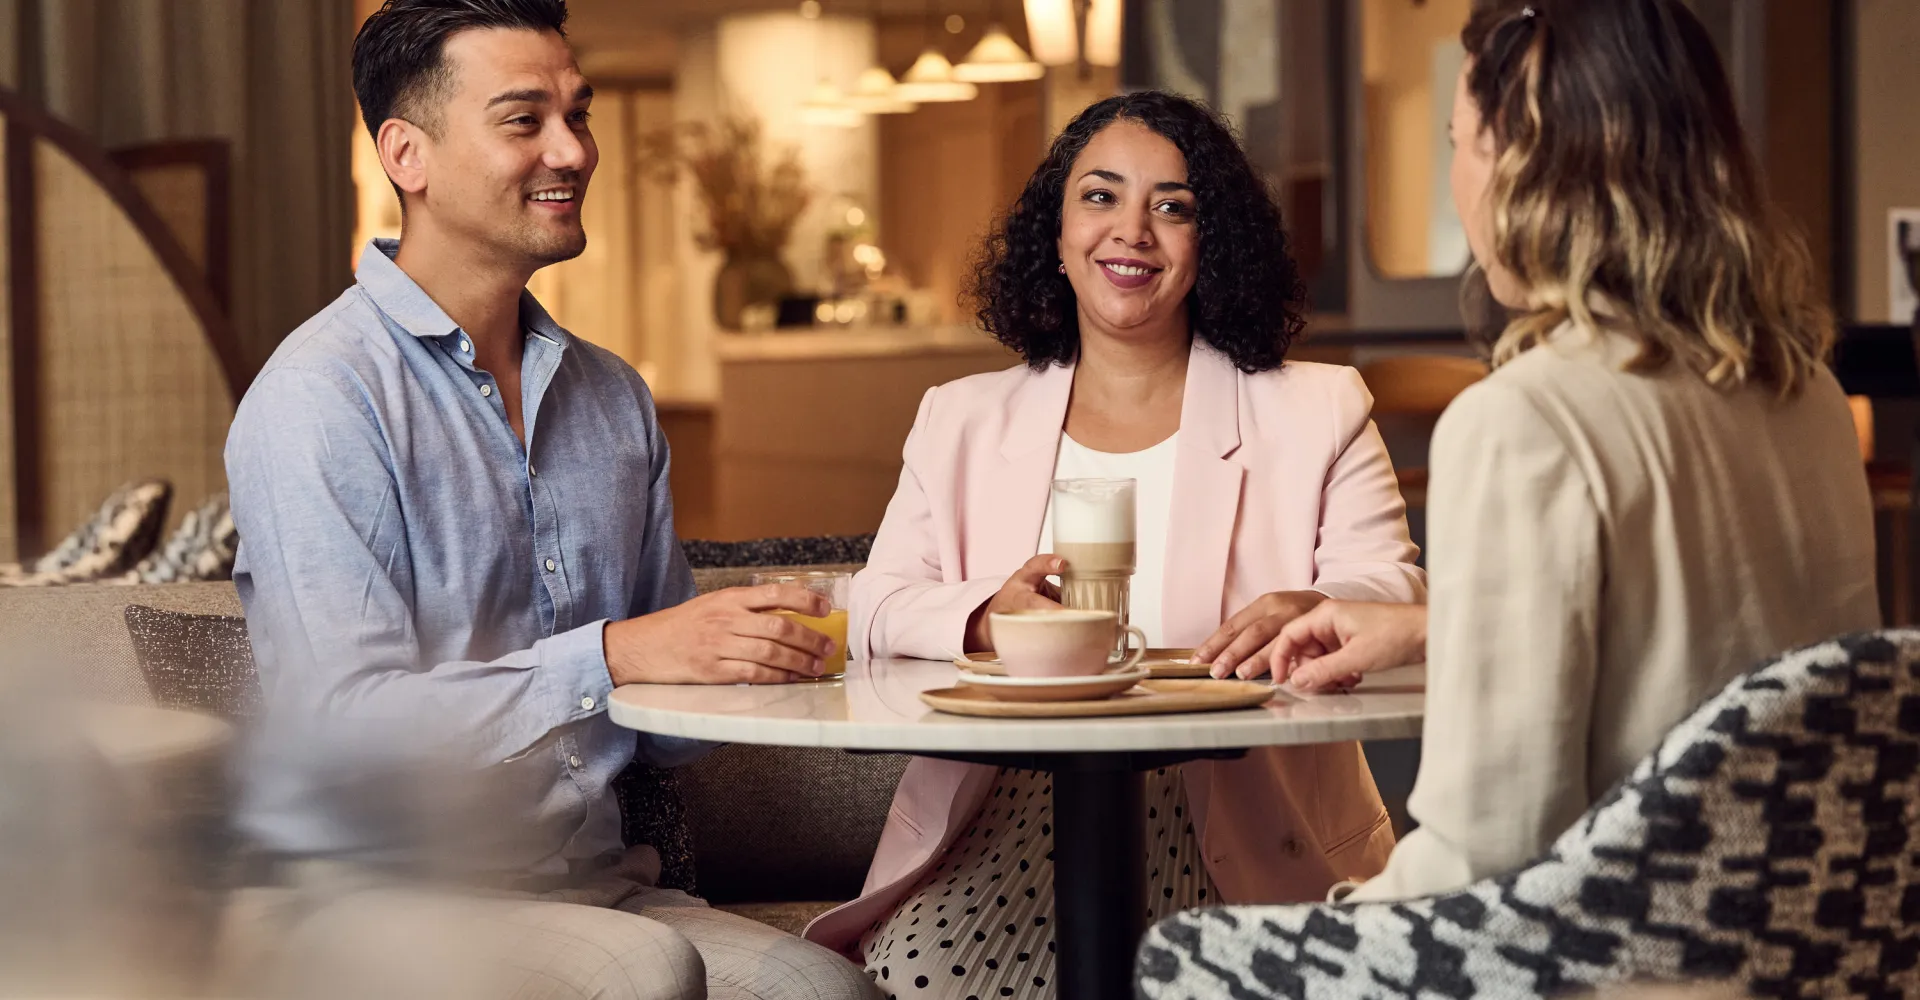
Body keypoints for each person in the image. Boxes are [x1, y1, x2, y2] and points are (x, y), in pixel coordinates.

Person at [223, 1, 878, 997]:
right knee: (644, 971)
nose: (572, 151)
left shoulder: (612, 398)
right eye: (524, 121)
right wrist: (615, 654)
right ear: (407, 155)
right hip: (376, 901)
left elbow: (665, 731)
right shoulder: (321, 395)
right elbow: (348, 730)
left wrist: (765, 655)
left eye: (579, 114)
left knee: (822, 986)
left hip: (598, 891)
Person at [800, 91, 1427, 995]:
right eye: (1100, 197)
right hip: (1011, 823)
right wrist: (985, 617)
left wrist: (1323, 606)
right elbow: (876, 605)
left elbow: (1392, 590)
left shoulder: (1317, 408)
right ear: (1055, 237)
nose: (1132, 230)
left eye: (1173, 206)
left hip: (1254, 825)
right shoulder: (959, 419)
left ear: (1211, 244)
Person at [1251, 0, 1879, 902]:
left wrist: (1339, 920)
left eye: (1460, 143)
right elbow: (1710, 662)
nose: (1458, 177)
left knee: (1188, 956)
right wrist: (1441, 631)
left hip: (1617, 946)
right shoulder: (1806, 392)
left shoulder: (1523, 421)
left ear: (1524, 171)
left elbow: (1487, 855)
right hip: (1811, 932)